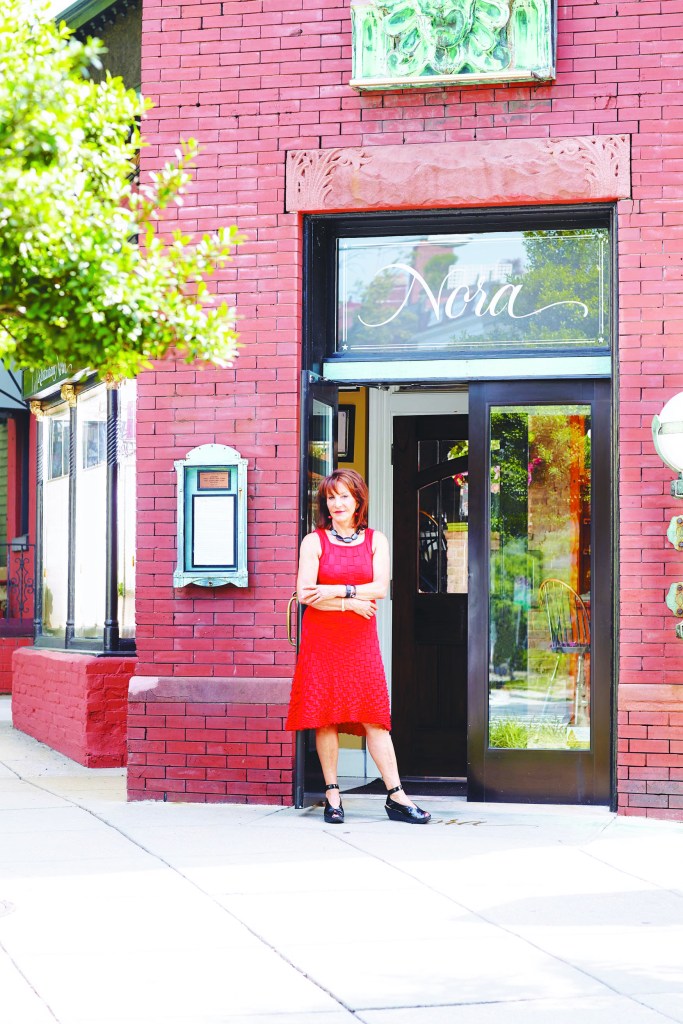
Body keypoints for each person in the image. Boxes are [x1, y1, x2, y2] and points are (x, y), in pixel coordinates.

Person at [286, 469, 431, 825]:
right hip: (323, 639)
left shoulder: (375, 540)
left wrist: (336, 590)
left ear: (358, 501)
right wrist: (350, 601)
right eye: (331, 498)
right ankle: (333, 795)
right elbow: (306, 594)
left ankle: (396, 795)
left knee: (374, 717)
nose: (337, 504)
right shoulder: (314, 541)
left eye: (344, 497)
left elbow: (380, 587)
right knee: (326, 718)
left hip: (359, 641)